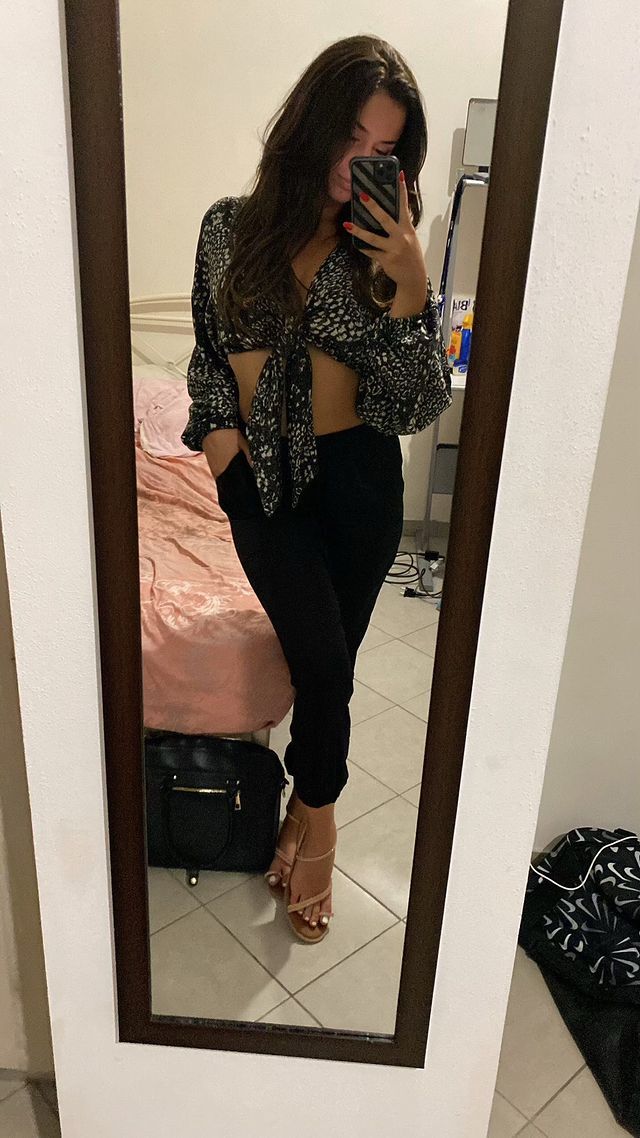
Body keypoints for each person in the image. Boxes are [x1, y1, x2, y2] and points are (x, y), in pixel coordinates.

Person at [181, 34, 452, 943]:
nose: (359, 162)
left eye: (385, 150)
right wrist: (227, 465)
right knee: (327, 664)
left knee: (327, 662)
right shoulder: (230, 229)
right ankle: (322, 822)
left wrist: (412, 290)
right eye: (350, 137)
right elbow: (209, 363)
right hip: (263, 483)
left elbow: (413, 406)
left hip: (361, 484)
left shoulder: (386, 252)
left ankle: (302, 810)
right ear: (310, 124)